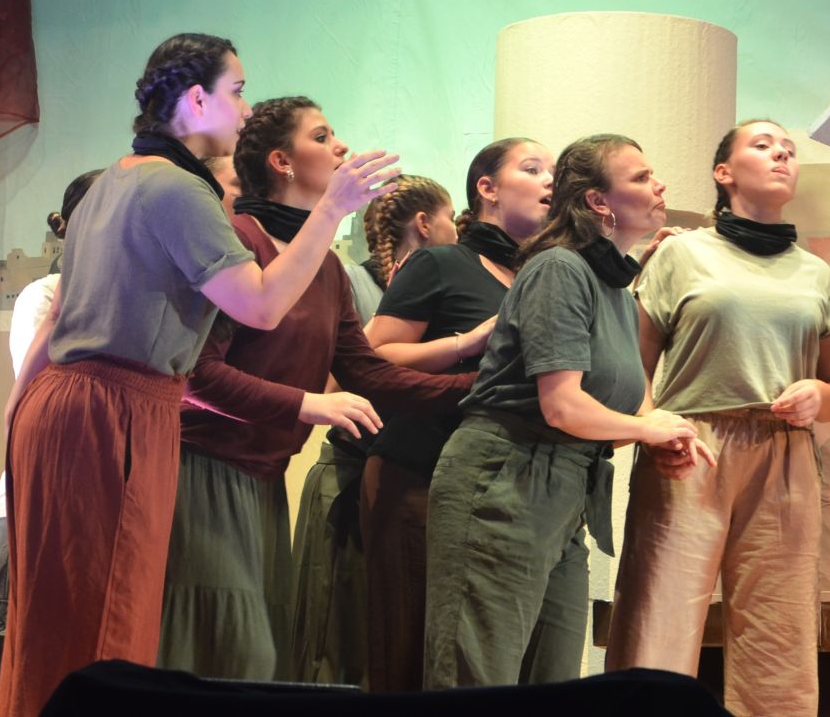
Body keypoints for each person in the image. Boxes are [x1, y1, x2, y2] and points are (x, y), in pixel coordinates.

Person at [0, 33, 399, 717]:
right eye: (236, 91)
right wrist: (333, 208)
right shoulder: (178, 189)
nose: (245, 110)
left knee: (55, 624)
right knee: (107, 627)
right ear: (195, 99)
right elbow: (261, 306)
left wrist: (17, 414)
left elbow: (57, 322)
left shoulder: (114, 179)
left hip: (61, 406)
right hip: (115, 412)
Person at [158, 98, 472, 681]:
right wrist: (307, 404)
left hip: (263, 477)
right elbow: (196, 375)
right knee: (224, 656)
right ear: (281, 161)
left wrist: (480, 387)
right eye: (322, 136)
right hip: (203, 473)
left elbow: (368, 372)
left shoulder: (324, 268)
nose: (341, 147)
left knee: (260, 662)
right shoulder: (238, 243)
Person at [423, 133, 712, 689]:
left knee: (554, 685)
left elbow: (614, 411)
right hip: (504, 482)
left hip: (566, 488)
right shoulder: (559, 268)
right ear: (599, 201)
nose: (660, 185)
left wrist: (656, 437)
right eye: (640, 177)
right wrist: (645, 428)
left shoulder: (616, 290)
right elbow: (561, 405)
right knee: (478, 683)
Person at [604, 120, 830, 714]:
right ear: (724, 173)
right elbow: (634, 366)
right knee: (659, 619)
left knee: (779, 628)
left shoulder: (816, 273)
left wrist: (818, 395)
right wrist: (651, 427)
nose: (781, 155)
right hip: (690, 446)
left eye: (789, 150)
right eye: (763, 146)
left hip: (784, 452)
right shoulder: (681, 252)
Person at [358, 137, 554, 691]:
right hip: (418, 476)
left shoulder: (547, 276)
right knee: (412, 653)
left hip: (506, 488)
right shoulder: (441, 262)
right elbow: (373, 357)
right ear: (487, 189)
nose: (550, 181)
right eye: (533, 168)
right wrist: (466, 342)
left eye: (555, 172)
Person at [290, 174, 457, 686]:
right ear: (424, 224)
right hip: (349, 477)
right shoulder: (354, 284)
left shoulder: (434, 293)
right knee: (339, 637)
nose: (459, 231)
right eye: (452, 218)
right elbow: (335, 383)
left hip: (402, 481)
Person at [0, 169, 100, 717]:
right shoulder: (42, 295)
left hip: (102, 509)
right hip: (28, 506)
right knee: (6, 664)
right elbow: (48, 385)